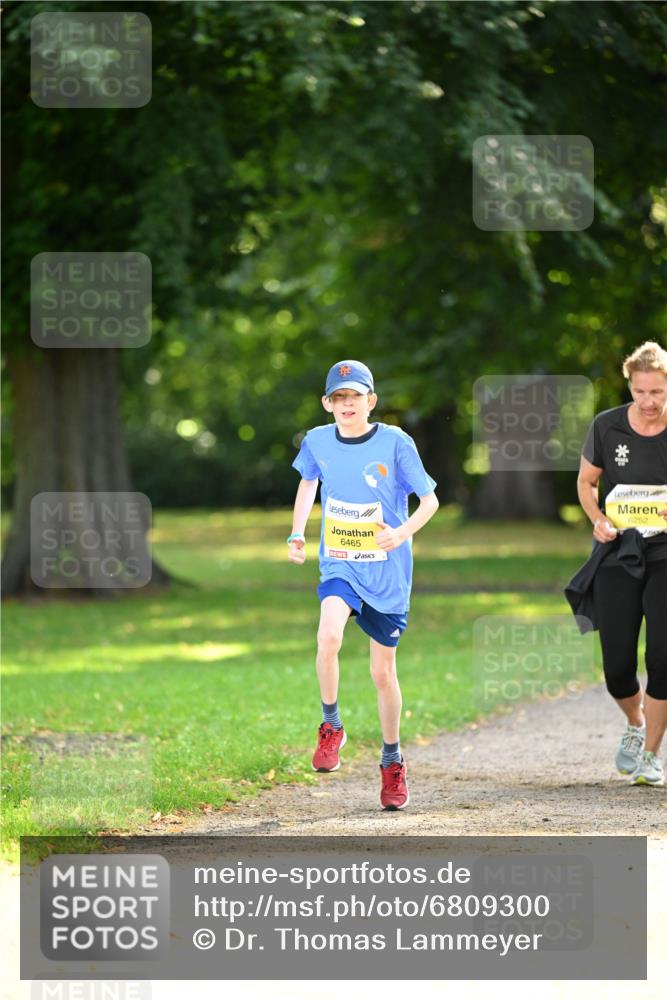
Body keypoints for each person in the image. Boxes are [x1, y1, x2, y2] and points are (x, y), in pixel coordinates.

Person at [287, 360, 439, 809]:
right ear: (327, 403)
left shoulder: (396, 442)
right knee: (328, 635)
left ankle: (392, 762)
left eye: (355, 396)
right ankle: (331, 725)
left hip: (387, 570)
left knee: (381, 673)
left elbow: (429, 499)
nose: (346, 404)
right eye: (338, 397)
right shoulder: (317, 441)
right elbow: (307, 485)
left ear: (370, 401)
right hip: (340, 562)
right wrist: (297, 533)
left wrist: (403, 531)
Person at [573, 340, 667, 786]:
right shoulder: (607, 426)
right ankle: (636, 723)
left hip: (666, 553)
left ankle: (650, 756)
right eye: (641, 391)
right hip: (618, 553)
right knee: (616, 669)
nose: (649, 402)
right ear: (629, 385)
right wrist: (596, 520)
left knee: (664, 659)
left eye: (659, 392)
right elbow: (587, 482)